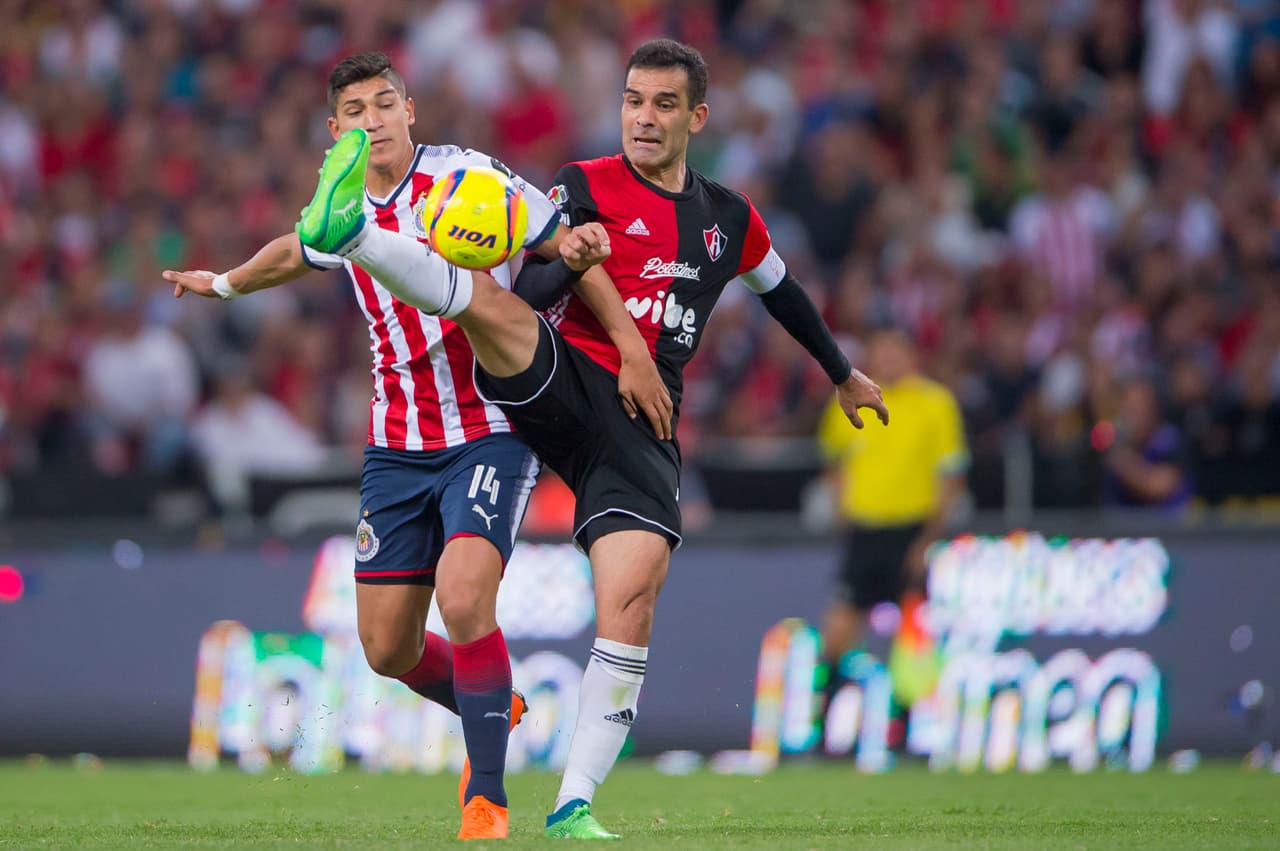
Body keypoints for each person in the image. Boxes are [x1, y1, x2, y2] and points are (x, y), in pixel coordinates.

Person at [286, 39, 888, 838]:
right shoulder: (583, 184)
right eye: (634, 100)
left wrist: (841, 372)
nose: (643, 116)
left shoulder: (728, 219)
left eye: (663, 104)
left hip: (641, 423)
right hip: (560, 379)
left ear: (695, 118)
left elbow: (784, 294)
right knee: (496, 308)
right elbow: (533, 282)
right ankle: (355, 232)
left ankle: (573, 804)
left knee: (631, 600)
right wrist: (569, 260)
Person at [163, 51, 671, 841]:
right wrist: (224, 282)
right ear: (337, 132)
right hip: (397, 442)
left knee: (466, 596)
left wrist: (631, 347)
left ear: (410, 112)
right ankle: (494, 703)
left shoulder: (471, 180)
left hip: (492, 426)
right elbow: (296, 251)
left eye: (385, 104)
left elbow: (565, 244)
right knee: (385, 645)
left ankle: (488, 801)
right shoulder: (340, 211)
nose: (374, 120)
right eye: (356, 112)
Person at [815, 326, 967, 716]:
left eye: (895, 352)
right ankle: (822, 723)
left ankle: (910, 728)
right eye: (881, 351)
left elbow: (950, 478)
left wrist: (927, 540)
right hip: (864, 531)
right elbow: (833, 459)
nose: (888, 360)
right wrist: (841, 507)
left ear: (912, 356)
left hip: (911, 532)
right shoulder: (847, 397)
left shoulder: (936, 403)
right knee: (838, 634)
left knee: (913, 641)